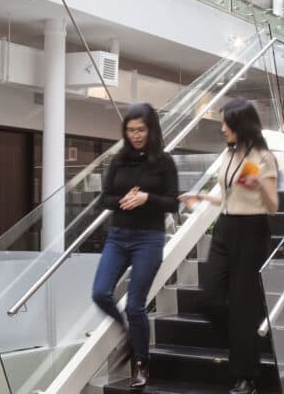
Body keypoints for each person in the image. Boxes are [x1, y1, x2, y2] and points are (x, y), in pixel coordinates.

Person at [181, 98, 278, 394]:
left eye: (226, 123)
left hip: (252, 231)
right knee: (209, 298)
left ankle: (246, 376)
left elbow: (273, 206)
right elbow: (227, 197)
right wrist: (200, 197)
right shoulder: (229, 155)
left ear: (241, 124)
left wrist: (259, 183)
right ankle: (244, 342)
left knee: (241, 308)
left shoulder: (263, 157)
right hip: (225, 227)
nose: (222, 128)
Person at [91, 103, 179, 390]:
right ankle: (128, 335)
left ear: (151, 129)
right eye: (130, 130)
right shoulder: (119, 160)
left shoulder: (164, 162)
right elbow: (105, 198)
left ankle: (142, 362)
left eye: (140, 130)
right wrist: (122, 200)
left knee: (135, 305)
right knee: (100, 292)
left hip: (148, 238)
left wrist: (146, 198)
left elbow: (174, 202)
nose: (136, 135)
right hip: (118, 235)